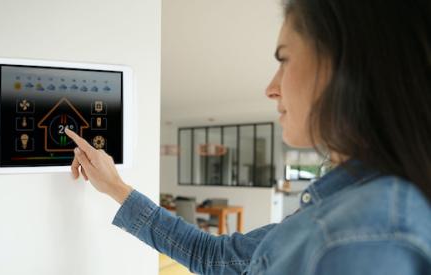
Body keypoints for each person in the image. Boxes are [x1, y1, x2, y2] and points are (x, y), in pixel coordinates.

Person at [65, 0, 431, 274]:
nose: (271, 88)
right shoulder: (341, 212)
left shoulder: (366, 237)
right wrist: (114, 186)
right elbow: (213, 256)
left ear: (346, 65)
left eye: (284, 59)